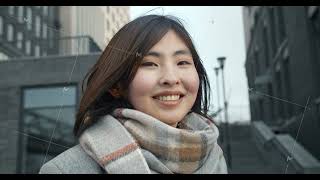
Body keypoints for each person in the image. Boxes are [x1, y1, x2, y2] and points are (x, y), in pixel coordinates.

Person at [39, 14, 227, 174]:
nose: (171, 78)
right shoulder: (64, 170)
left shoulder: (214, 157)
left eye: (182, 62)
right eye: (149, 64)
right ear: (117, 85)